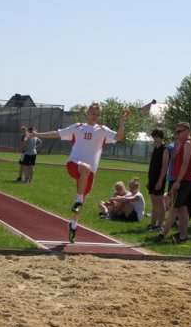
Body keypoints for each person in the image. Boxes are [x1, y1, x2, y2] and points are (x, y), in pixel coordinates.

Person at [27, 103, 130, 242]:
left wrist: (122, 121)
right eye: (93, 113)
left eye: (98, 114)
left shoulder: (102, 130)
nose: (95, 116)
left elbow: (118, 137)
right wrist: (37, 134)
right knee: (84, 177)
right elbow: (57, 133)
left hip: (89, 174)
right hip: (74, 165)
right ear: (87, 113)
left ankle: (73, 225)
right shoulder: (78, 127)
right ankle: (78, 199)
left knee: (80, 204)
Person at [157, 122, 191, 243]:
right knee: (182, 208)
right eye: (176, 132)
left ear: (187, 131)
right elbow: (173, 159)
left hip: (183, 180)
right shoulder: (180, 143)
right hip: (176, 178)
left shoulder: (188, 144)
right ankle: (183, 236)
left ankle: (162, 234)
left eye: (180, 131)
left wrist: (178, 181)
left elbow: (185, 164)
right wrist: (177, 146)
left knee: (174, 207)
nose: (177, 134)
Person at [147, 128, 169, 231]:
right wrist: (150, 180)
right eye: (154, 137)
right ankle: (153, 224)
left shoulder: (165, 149)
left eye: (157, 137)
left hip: (159, 179)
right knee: (154, 203)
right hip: (152, 178)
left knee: (160, 202)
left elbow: (164, 167)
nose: (155, 139)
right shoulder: (155, 148)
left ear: (161, 137)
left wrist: (160, 181)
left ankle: (160, 225)